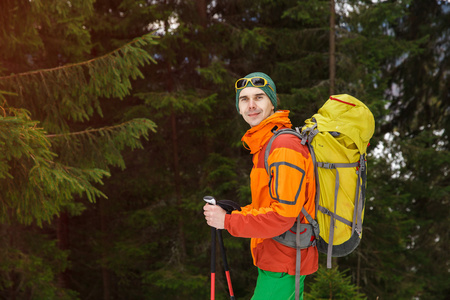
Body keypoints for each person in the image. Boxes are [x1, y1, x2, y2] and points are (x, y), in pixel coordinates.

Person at [203, 72, 318, 299]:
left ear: (272, 103)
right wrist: (235, 212)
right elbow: (268, 204)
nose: (251, 105)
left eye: (259, 97)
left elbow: (282, 216)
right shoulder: (267, 144)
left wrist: (227, 221)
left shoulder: (283, 146)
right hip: (279, 259)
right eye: (244, 99)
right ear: (238, 107)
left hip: (283, 263)